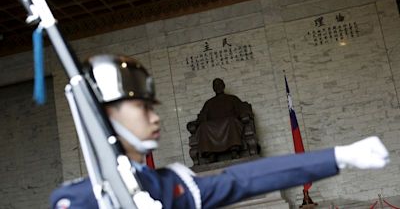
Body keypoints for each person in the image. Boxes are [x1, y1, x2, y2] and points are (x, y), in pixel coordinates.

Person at [50, 54, 390, 209]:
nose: (156, 118)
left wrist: (338, 156)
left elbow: (246, 179)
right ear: (106, 118)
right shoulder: (77, 200)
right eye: (142, 108)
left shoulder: (173, 185)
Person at [194, 78, 246, 161]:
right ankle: (210, 154)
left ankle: (234, 151)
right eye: (215, 85)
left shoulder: (232, 98)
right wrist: (195, 123)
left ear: (224, 86)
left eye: (219, 84)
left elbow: (242, 109)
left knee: (231, 121)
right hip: (214, 127)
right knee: (203, 126)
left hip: (230, 123)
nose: (218, 87)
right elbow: (202, 116)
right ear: (213, 88)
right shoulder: (209, 103)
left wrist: (244, 115)